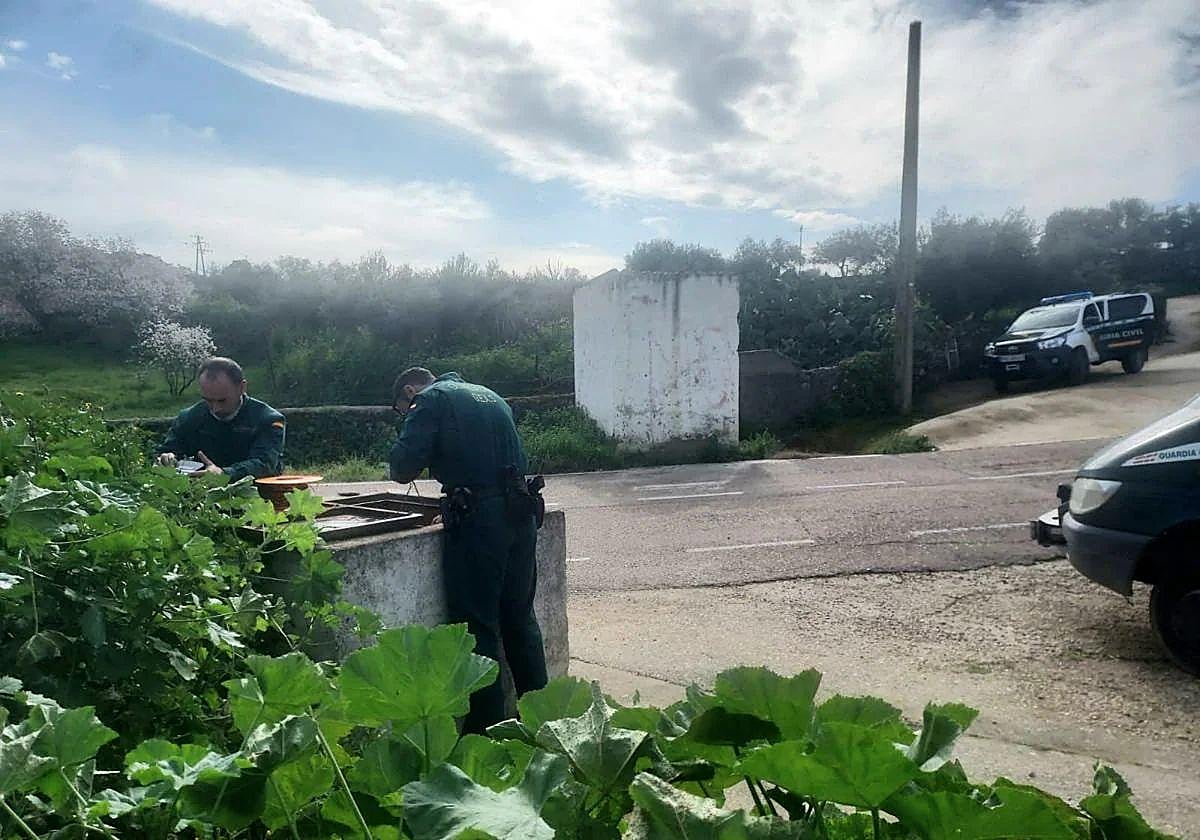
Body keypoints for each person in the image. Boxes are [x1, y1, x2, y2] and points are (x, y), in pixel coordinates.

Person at [389, 367, 548, 732]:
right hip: (520, 512)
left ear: (410, 391)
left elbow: (402, 467)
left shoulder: (430, 399)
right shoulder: (486, 392)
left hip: (481, 520)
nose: (405, 412)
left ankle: (487, 733)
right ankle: (545, 722)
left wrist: (409, 428)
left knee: (479, 627)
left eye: (402, 408)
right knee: (521, 619)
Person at [155, 357, 286, 481]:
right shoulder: (188, 418)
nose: (215, 409)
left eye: (222, 400)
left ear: (242, 388)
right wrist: (167, 457)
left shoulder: (268, 419)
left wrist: (224, 474)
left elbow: (265, 463)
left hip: (258, 496)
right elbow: (166, 450)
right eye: (208, 400)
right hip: (200, 496)